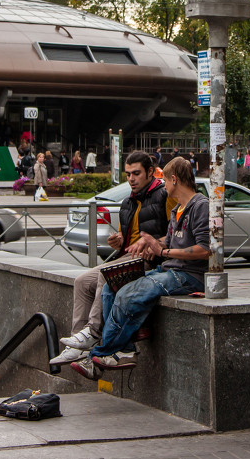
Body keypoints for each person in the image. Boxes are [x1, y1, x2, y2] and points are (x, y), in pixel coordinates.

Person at [71, 156, 209, 380]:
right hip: (171, 269)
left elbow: (205, 249)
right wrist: (154, 243)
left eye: (165, 179)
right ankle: (124, 349)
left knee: (129, 293)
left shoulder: (200, 205)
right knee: (112, 286)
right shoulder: (178, 210)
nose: (164, 185)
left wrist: (161, 251)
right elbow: (170, 240)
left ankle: (100, 354)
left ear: (174, 179)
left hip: (188, 275)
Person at [51, 151, 170, 366]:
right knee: (82, 281)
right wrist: (119, 240)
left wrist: (154, 242)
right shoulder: (128, 203)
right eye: (128, 175)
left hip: (151, 261)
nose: (131, 179)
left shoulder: (164, 196)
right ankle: (77, 345)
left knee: (106, 275)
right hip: (127, 257)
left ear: (150, 172)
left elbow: (175, 234)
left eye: (137, 173)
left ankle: (94, 332)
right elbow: (126, 235)